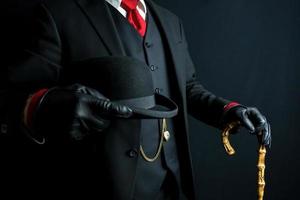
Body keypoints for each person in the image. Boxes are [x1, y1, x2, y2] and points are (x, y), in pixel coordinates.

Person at [4, 0, 271, 199]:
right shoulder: (58, 14)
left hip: (173, 184)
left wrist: (229, 111)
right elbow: (16, 98)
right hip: (102, 186)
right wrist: (44, 106)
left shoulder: (169, 21)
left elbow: (187, 86)